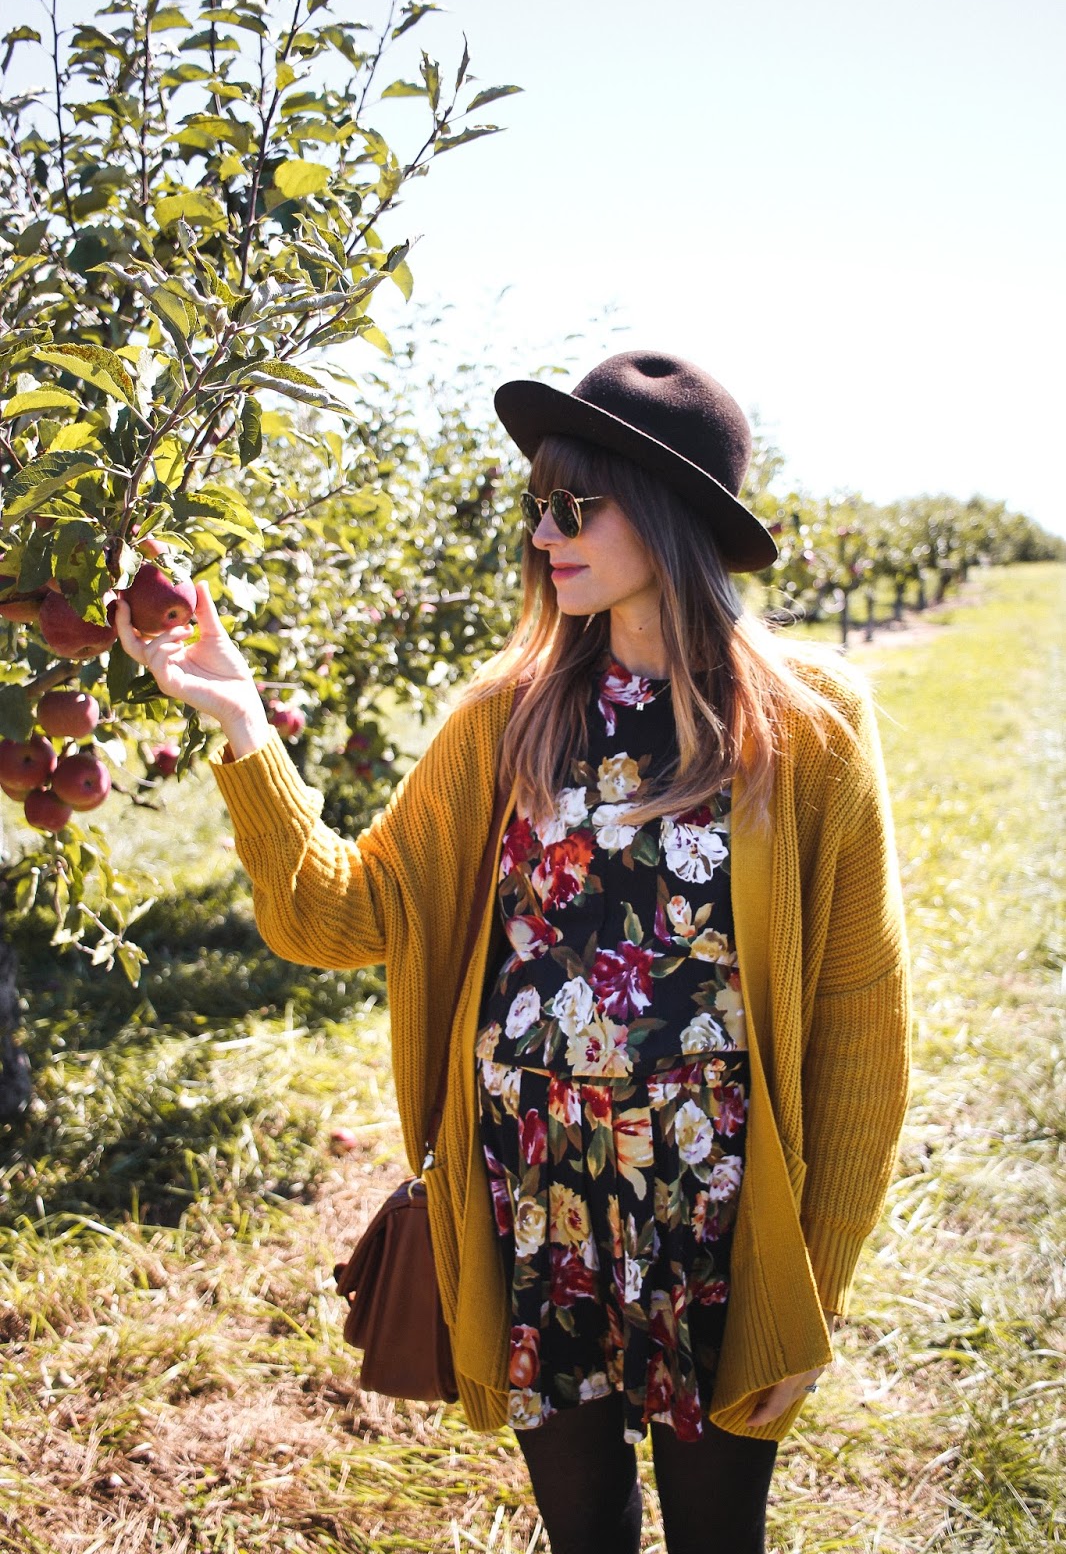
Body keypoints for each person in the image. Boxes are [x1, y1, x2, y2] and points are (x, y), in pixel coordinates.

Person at [114, 351, 910, 1554]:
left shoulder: (806, 725)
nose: (544, 532)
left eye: (574, 504)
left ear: (672, 509)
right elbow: (336, 914)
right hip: (536, 1192)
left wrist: (820, 1282)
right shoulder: (509, 716)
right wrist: (239, 721)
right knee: (583, 1531)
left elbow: (860, 1016)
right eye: (533, 504)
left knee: (715, 1534)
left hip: (717, 1201)